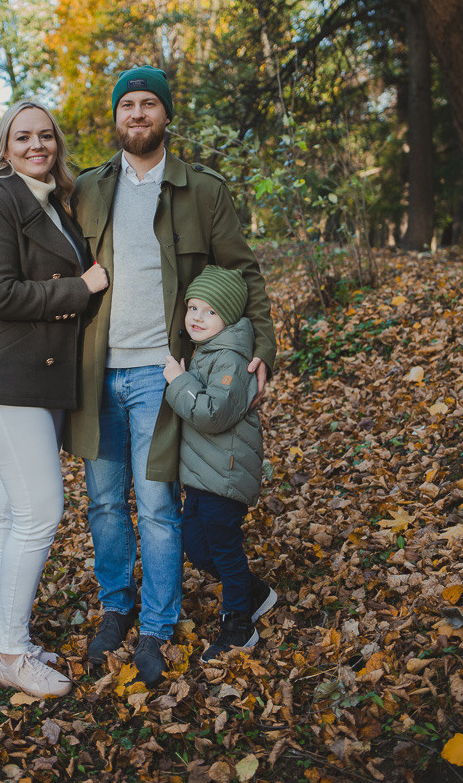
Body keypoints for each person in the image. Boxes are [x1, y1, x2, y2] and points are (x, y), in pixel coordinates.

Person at [67, 65, 276, 686]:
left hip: (163, 376)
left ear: (165, 116)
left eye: (148, 103)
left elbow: (246, 273)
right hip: (93, 375)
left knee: (157, 507)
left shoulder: (202, 191)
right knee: (104, 503)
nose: (137, 113)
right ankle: (116, 606)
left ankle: (157, 626)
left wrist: (262, 345)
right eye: (127, 104)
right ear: (116, 116)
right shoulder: (86, 189)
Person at [0, 100, 108, 699]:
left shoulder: (55, 204)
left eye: (45, 136)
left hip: (34, 382)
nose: (36, 145)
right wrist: (81, 287)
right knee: (42, 512)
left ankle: (1, 635)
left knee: (14, 512)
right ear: (6, 145)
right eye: (23, 137)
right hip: (4, 381)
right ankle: (14, 655)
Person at [163, 265, 278, 661]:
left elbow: (213, 414)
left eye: (209, 311)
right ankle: (257, 592)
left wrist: (178, 381)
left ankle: (239, 627)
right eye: (193, 307)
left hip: (225, 474)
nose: (196, 317)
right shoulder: (208, 350)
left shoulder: (229, 358)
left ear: (227, 317)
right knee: (197, 547)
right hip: (202, 475)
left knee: (225, 550)